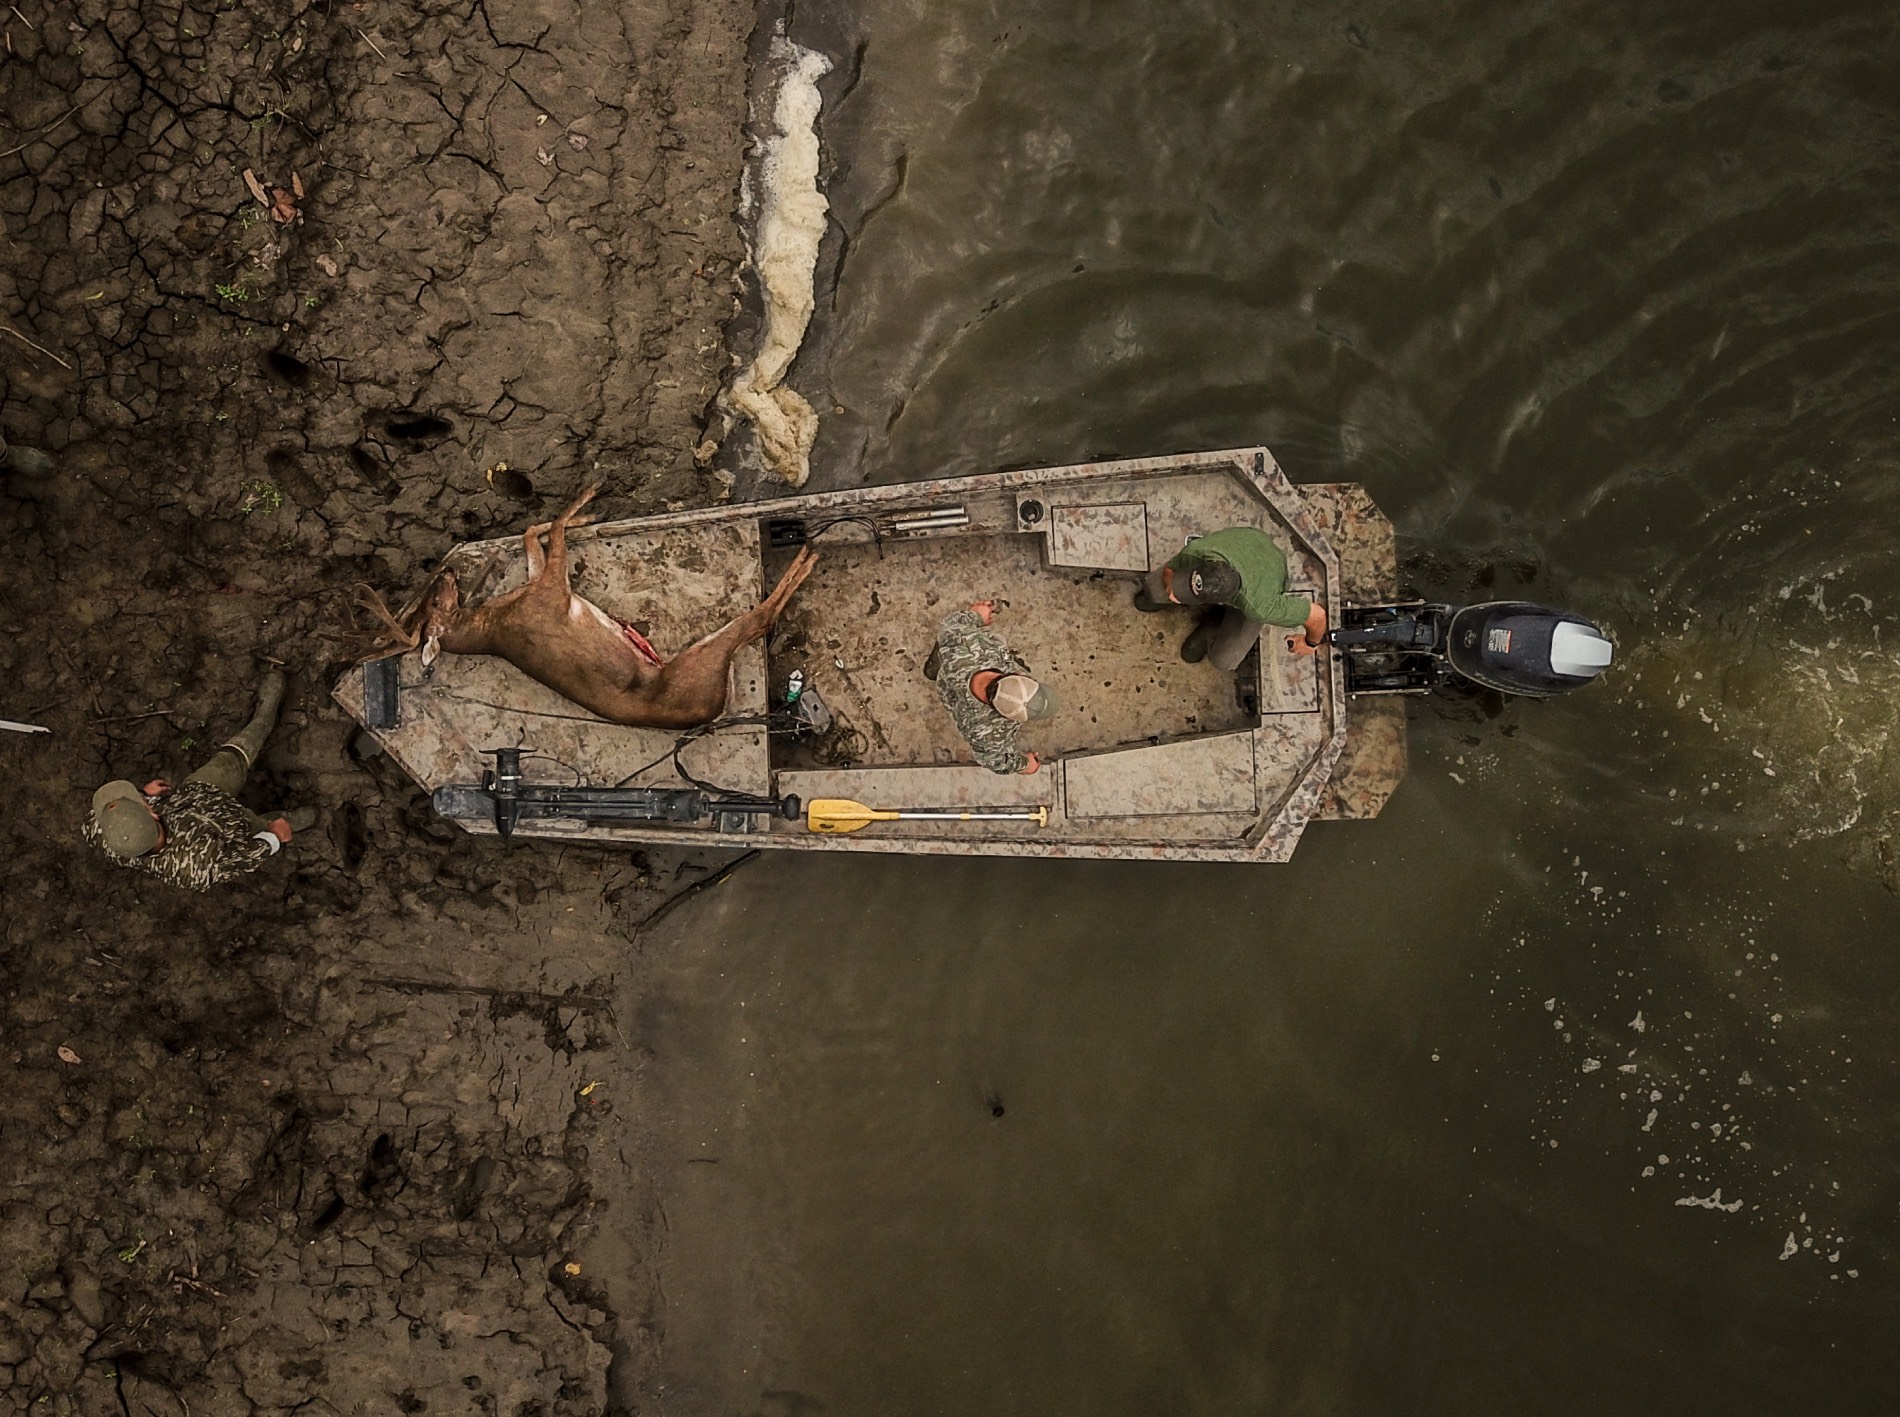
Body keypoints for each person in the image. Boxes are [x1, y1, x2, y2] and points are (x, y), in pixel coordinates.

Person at [85, 667, 317, 891]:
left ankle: (263, 717)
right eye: (137, 801)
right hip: (231, 829)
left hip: (197, 796)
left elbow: (93, 822)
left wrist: (145, 794)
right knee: (265, 827)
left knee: (231, 758)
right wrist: (273, 840)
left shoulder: (103, 830)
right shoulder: (195, 868)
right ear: (153, 814)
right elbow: (243, 859)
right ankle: (286, 822)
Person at [1135, 526, 1328, 671]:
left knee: (1224, 661)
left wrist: (1310, 643)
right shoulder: (1199, 551)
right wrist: (1171, 586)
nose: (1175, 595)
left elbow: (1317, 615)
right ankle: (1183, 603)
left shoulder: (1260, 605)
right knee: (1153, 589)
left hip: (1264, 579)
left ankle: (1213, 622)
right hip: (1249, 543)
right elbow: (1171, 568)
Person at [929, 599, 1053, 775]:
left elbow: (950, 627)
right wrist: (1022, 765)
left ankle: (938, 663)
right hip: (954, 699)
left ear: (1014, 675)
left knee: (947, 654)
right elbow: (993, 760)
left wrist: (976, 616)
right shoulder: (984, 733)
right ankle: (937, 665)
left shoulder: (966, 645)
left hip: (950, 676)